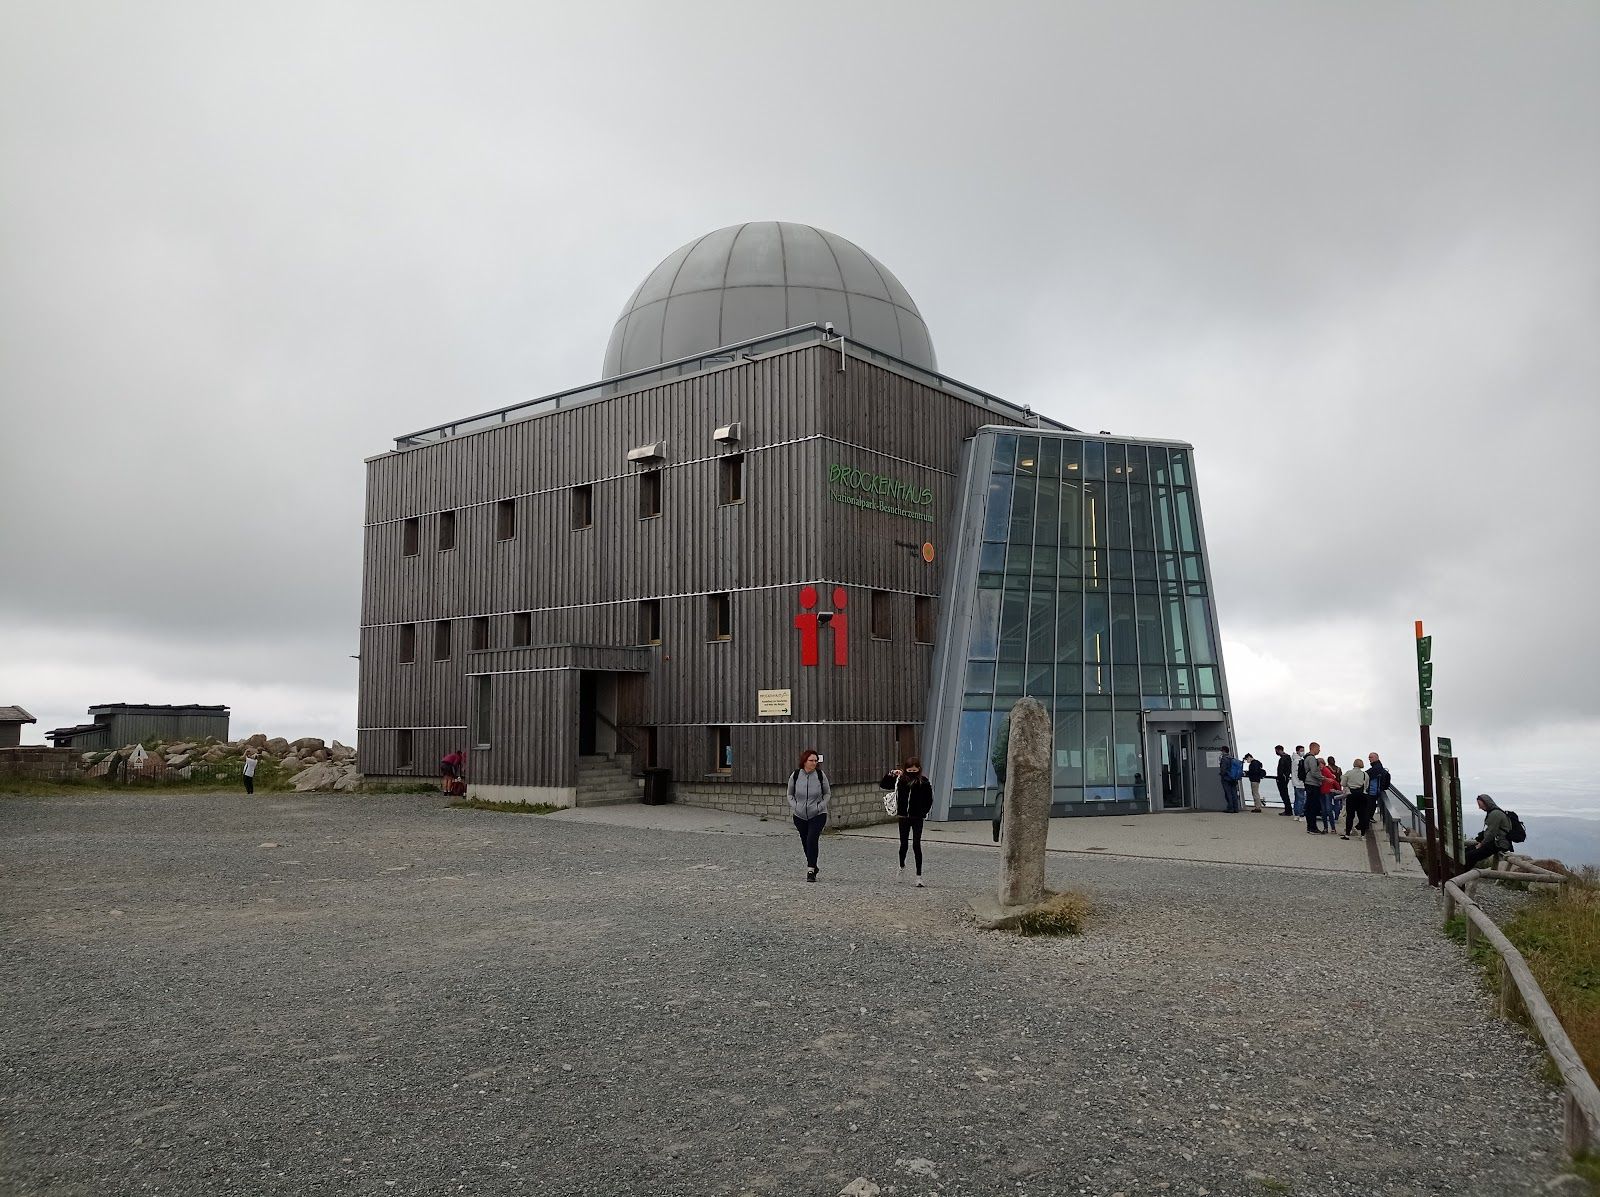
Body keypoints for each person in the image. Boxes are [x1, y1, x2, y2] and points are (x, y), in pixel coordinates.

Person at [881, 756, 934, 886]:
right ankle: (901, 866)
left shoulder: (924, 782)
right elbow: (884, 785)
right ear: (906, 769)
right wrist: (891, 774)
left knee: (916, 845)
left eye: (914, 770)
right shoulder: (901, 780)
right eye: (909, 770)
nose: (912, 773)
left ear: (919, 769)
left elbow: (929, 799)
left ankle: (919, 876)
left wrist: (923, 812)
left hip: (917, 818)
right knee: (903, 844)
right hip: (904, 817)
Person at [788, 748, 831, 882]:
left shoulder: (820, 775)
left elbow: (827, 793)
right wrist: (795, 806)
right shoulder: (795, 775)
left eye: (815, 760)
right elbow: (790, 794)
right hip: (800, 815)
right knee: (805, 840)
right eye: (811, 760)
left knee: (812, 839)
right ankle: (813, 863)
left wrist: (820, 806)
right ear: (804, 761)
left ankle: (810, 870)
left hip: (818, 814)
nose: (814, 763)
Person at [1462, 794, 1514, 871]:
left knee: (1470, 856)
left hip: (1499, 844)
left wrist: (1481, 844)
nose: (1479, 807)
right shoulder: (1494, 812)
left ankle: (1461, 875)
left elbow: (1491, 833)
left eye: (1480, 804)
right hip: (1495, 842)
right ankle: (1461, 874)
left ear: (1486, 802)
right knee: (1468, 851)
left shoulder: (1495, 814)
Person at [1360, 751, 1392, 836]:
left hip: (1372, 791)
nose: (1369, 759)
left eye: (1371, 757)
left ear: (1376, 758)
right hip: (1377, 791)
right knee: (1372, 805)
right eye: (1369, 757)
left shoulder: (1376, 768)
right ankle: (1368, 819)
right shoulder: (1379, 767)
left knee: (1368, 807)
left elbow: (1366, 775)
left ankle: (1364, 825)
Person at [1340, 757, 1369, 839]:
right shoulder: (1365, 774)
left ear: (1354, 764)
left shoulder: (1349, 773)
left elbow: (1343, 783)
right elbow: (1366, 786)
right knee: (1362, 815)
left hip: (1351, 796)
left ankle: (1347, 834)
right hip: (1362, 796)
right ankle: (1362, 835)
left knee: (1350, 816)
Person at [1301, 742, 1325, 834]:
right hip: (1312, 784)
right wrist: (1324, 778)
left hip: (1309, 783)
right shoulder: (1311, 758)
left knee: (1310, 805)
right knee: (1313, 806)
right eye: (1318, 748)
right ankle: (1312, 827)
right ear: (1313, 748)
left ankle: (1310, 827)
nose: (1319, 750)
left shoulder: (1307, 758)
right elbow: (1314, 772)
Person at [1320, 756, 1342, 833]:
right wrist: (1339, 790)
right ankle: (1336, 819)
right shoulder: (1338, 769)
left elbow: (1332, 780)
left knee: (1326, 810)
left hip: (1327, 790)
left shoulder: (1326, 769)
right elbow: (1339, 780)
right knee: (1336, 805)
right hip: (1333, 789)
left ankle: (1327, 828)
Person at [1217, 746, 1242, 813]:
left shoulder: (1224, 759)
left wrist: (1221, 774)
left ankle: (1230, 808)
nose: (1220, 752)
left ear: (1223, 751)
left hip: (1226, 778)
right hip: (1234, 778)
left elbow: (1223, 769)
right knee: (1234, 793)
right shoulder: (1232, 758)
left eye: (1221, 751)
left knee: (1228, 793)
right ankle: (1236, 808)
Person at [1274, 745, 1293, 816]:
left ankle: (1288, 811)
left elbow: (1281, 770)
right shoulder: (1288, 757)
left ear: (1278, 750)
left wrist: (1280, 778)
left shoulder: (1283, 759)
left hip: (1282, 779)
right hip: (1286, 778)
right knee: (1285, 794)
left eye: (1276, 750)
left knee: (1284, 794)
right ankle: (1288, 810)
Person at [1292, 745, 1308, 817]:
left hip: (1295, 782)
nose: (1303, 752)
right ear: (1297, 751)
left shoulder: (1294, 760)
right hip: (1300, 783)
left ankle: (1296, 814)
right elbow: (1302, 773)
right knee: (1301, 800)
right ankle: (1300, 814)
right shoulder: (1300, 761)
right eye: (1301, 750)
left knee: (1297, 799)